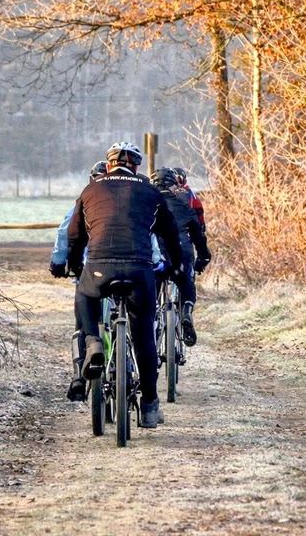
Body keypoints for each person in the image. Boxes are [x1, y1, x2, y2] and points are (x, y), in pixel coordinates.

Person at [68, 142, 183, 428]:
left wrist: (73, 264)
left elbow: (74, 235)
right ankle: (149, 406)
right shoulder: (150, 191)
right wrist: (176, 265)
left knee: (85, 295)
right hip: (139, 270)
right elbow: (170, 234)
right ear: (137, 166)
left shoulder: (90, 190)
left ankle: (93, 341)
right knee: (143, 336)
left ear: (109, 165)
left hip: (100, 268)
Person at [49, 160, 108, 402]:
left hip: (88, 270)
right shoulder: (126, 200)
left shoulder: (85, 199)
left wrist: (58, 263)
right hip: (122, 268)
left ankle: (78, 378)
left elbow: (65, 232)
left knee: (82, 325)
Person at [150, 167, 212, 346]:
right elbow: (198, 234)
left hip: (157, 255)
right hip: (182, 252)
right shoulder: (184, 204)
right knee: (186, 283)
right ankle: (186, 311)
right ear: (173, 185)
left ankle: (152, 317)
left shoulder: (147, 205)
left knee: (152, 286)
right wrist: (203, 257)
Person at [173, 167, 205, 232]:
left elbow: (198, 210)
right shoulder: (188, 192)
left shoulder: (187, 193)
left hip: (187, 229)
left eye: (178, 179)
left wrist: (200, 225)